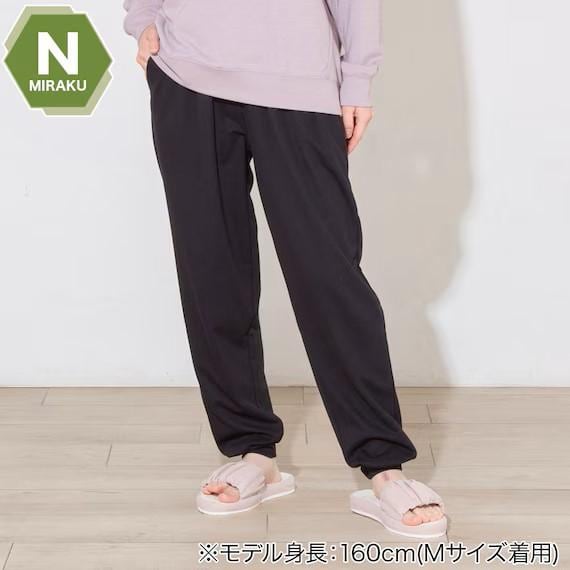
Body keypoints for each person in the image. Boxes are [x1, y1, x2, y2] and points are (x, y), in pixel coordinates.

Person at [123, 0, 447, 539]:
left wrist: (358, 76)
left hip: (297, 79)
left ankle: (384, 465)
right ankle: (252, 451)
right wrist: (144, 17)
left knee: (327, 273)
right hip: (185, 72)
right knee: (210, 268)